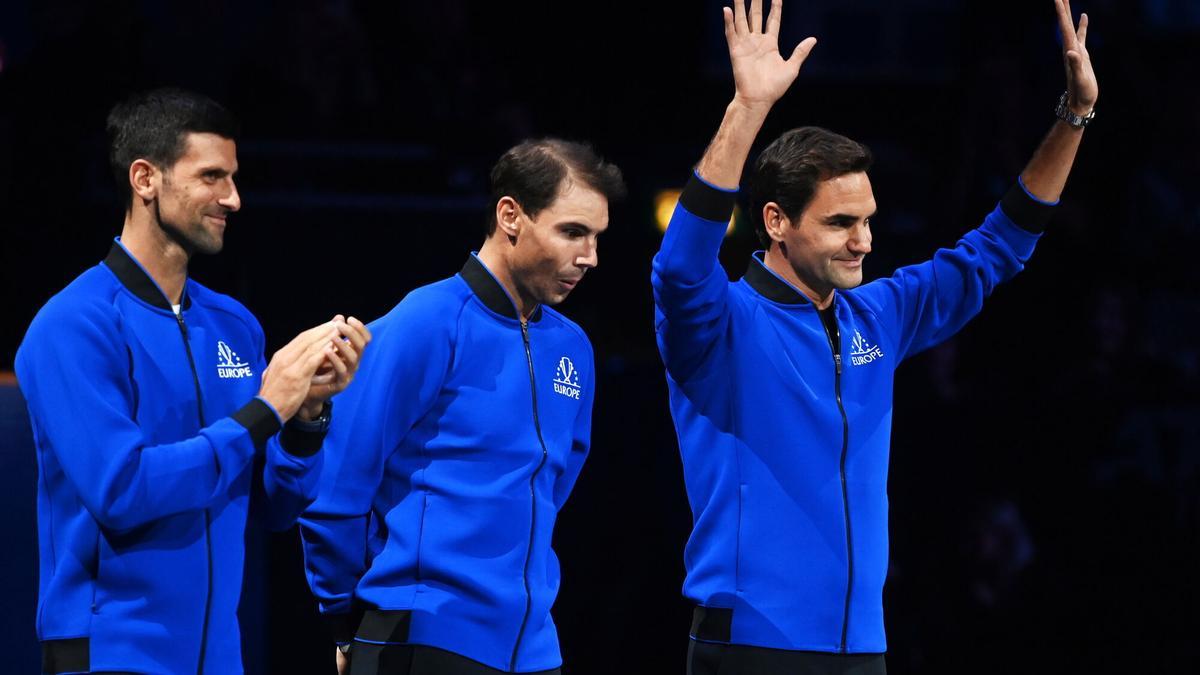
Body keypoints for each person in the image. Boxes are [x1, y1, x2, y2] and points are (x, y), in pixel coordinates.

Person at [651, 1, 1098, 673]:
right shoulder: (721, 323)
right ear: (776, 221)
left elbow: (998, 248)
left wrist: (1074, 115)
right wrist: (747, 109)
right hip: (753, 645)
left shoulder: (878, 316)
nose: (863, 241)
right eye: (840, 223)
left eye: (867, 220)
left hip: (862, 649)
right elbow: (680, 266)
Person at [15, 87, 371, 675]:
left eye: (233, 177)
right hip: (110, 656)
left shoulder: (234, 324)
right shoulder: (73, 324)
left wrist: (304, 419)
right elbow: (123, 491)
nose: (233, 198)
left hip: (220, 657)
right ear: (145, 179)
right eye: (211, 177)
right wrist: (263, 411)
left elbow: (275, 507)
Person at [300, 139, 625, 675]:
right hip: (423, 634)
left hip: (533, 649)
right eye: (572, 232)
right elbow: (337, 482)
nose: (590, 256)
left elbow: (551, 489)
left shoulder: (572, 347)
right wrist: (342, 617)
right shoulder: (427, 321)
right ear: (510, 216)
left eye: (596, 236)